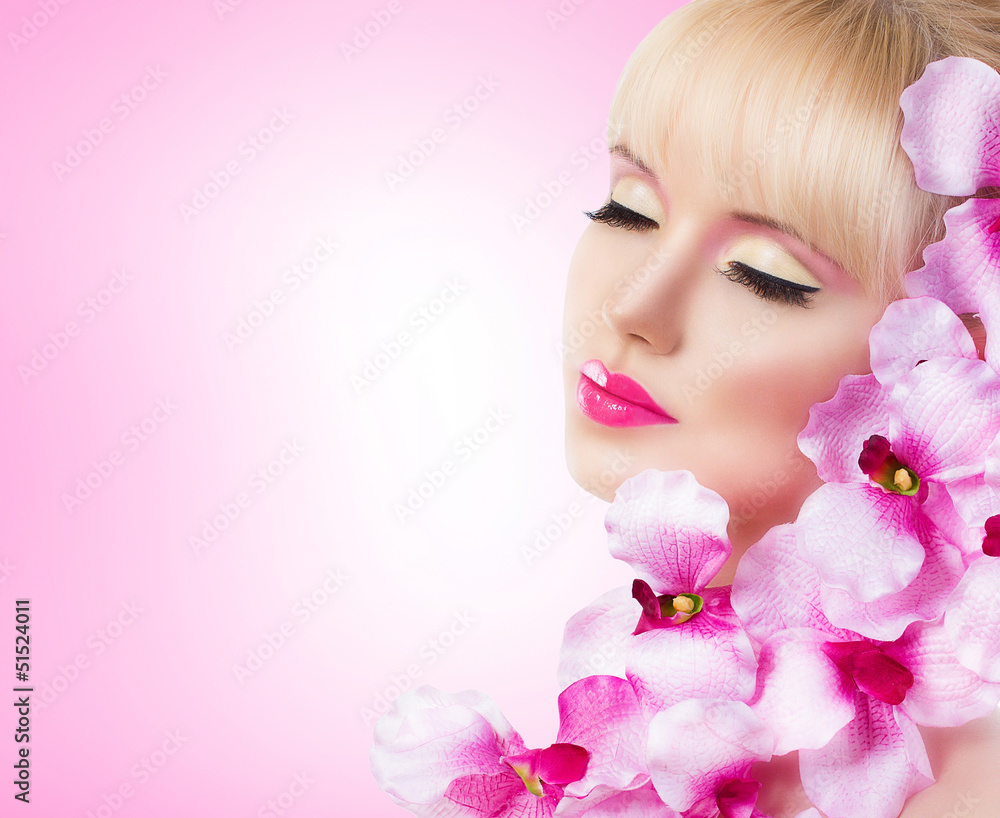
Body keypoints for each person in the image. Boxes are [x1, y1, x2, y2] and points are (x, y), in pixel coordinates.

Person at [561, 0, 1000, 814]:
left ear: (955, 358)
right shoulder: (635, 709)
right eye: (629, 208)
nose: (633, 307)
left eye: (765, 273)